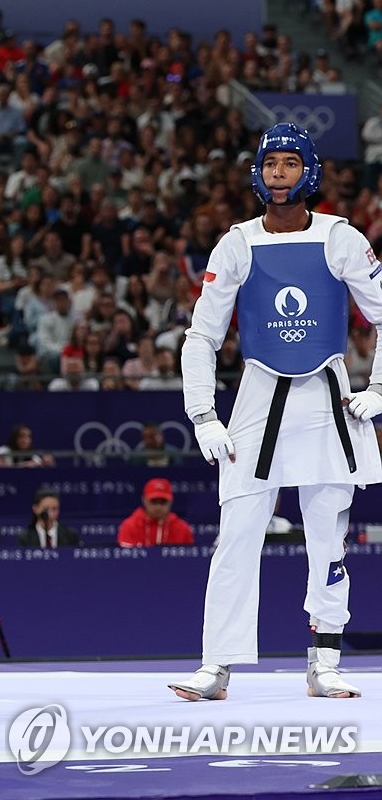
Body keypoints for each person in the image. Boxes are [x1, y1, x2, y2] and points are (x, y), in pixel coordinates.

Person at [168, 122, 382, 702]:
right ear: (257, 174)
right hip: (258, 401)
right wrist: (203, 415)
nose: (278, 175)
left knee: (328, 536)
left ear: (308, 171)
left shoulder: (341, 238)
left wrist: (379, 389)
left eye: (289, 164)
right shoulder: (236, 242)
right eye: (269, 165)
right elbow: (200, 336)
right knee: (236, 533)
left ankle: (326, 660)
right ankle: (217, 664)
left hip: (328, 401)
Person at [117, 478, 195, 547]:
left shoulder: (183, 528)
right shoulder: (129, 526)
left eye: (163, 502)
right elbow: (125, 562)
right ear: (144, 500)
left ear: (171, 501)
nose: (158, 507)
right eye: (153, 501)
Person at [17, 488, 82, 549]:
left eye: (54, 509)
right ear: (35, 509)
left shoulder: (70, 535)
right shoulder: (25, 538)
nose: (50, 514)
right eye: (46, 509)